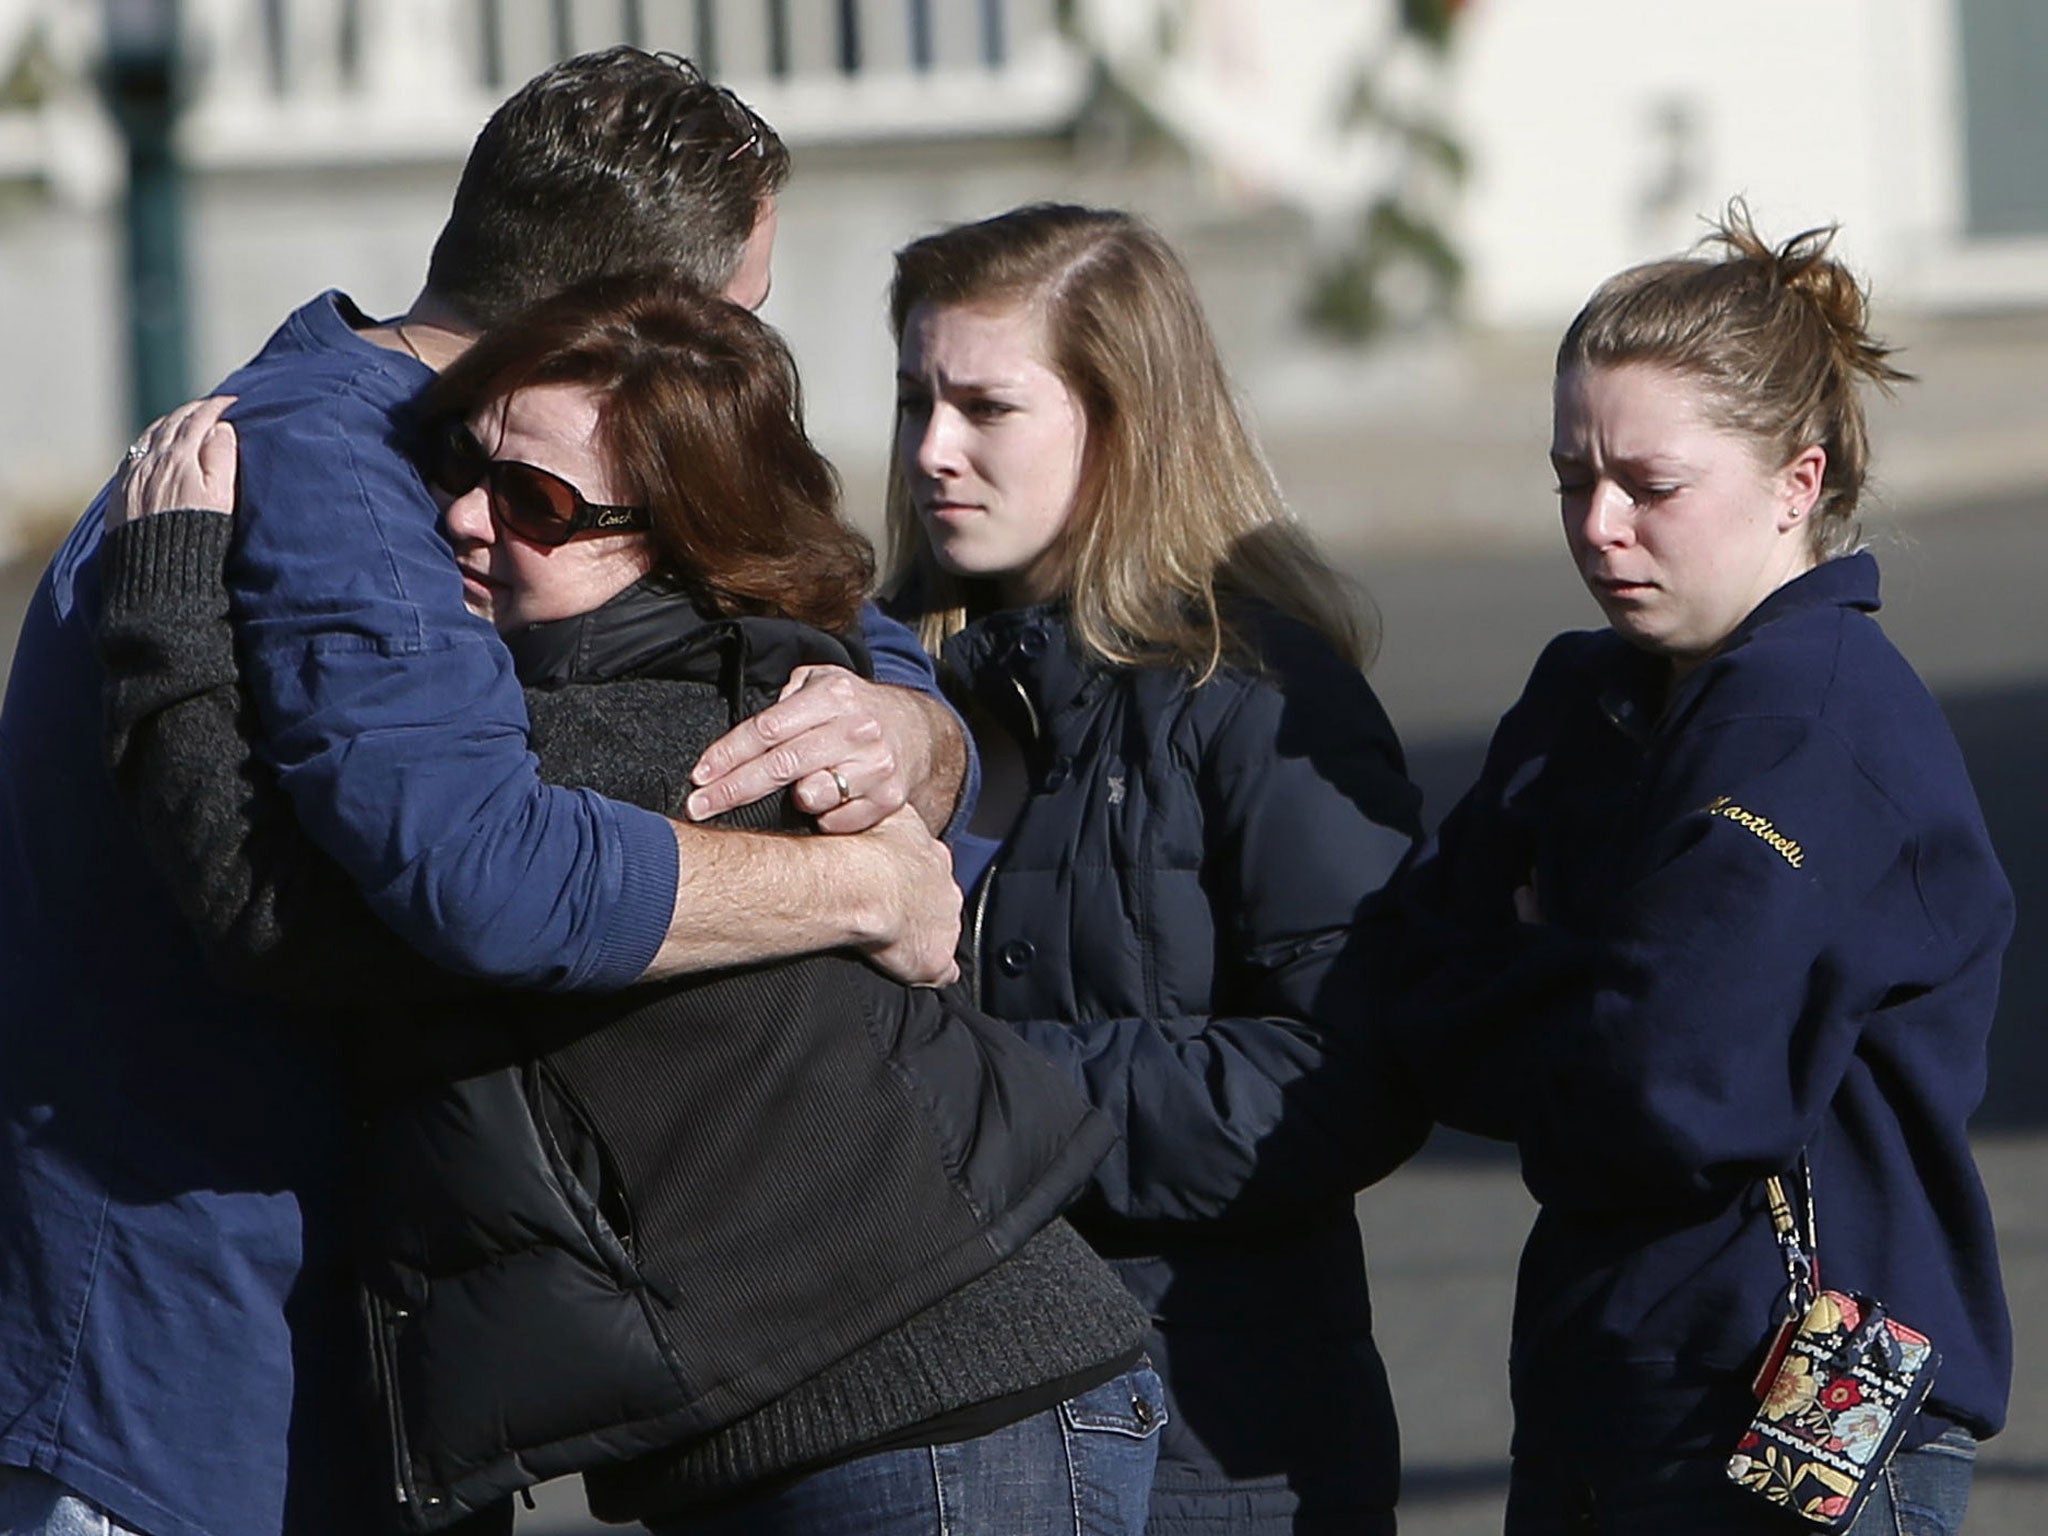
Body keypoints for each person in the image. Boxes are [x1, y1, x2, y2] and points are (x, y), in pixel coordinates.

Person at [0, 48, 967, 1536]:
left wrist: (906, 731)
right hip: (200, 1396)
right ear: (637, 323)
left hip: (319, 1378)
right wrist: (864, 885)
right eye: (740, 325)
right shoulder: (336, 470)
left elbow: (830, 614)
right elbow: (486, 877)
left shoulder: (492, 444)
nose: (745, 374)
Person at [99, 276, 1165, 1536]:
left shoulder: (669, 739)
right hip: (845, 1425)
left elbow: (271, 911)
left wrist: (167, 603)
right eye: (456, 460)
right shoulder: (660, 682)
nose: (460, 518)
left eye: (535, 502)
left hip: (937, 1430)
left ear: (674, 532)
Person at [1374, 207, 2012, 1534]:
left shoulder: (1812, 717)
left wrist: (1545, 963)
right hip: (1600, 1381)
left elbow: (1684, 1090)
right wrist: (1601, 982)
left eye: (1650, 487)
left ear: (1797, 481)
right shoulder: (1586, 695)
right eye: (1571, 480)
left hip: (1803, 1410)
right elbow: (1396, 986)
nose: (1600, 526)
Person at [882, 203, 1429, 1535]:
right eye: (914, 400)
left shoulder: (1260, 694)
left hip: (1205, 1450)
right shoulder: (878, 684)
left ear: (1121, 420)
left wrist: (999, 1092)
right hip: (924, 1435)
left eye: (986, 407)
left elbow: (1352, 1073)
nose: (933, 450)